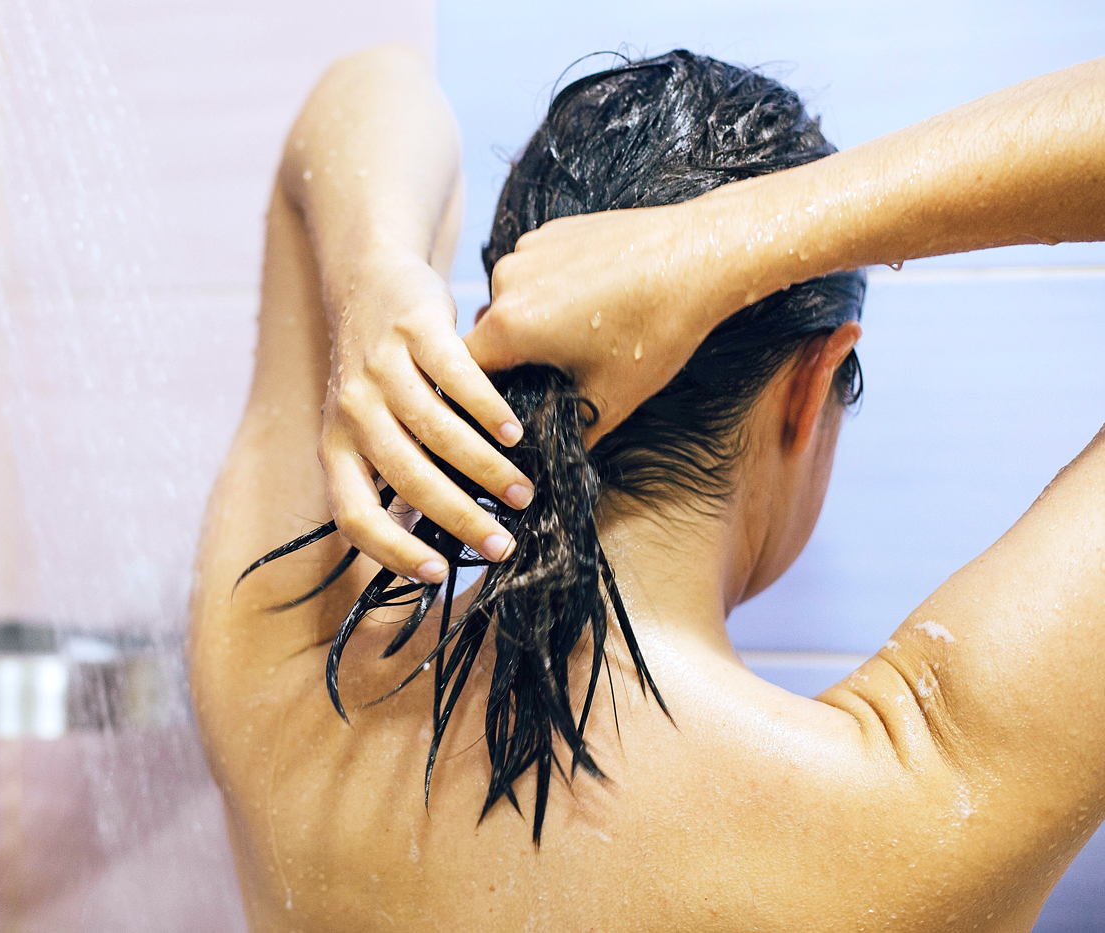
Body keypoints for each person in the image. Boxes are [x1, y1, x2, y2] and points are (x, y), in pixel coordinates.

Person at [190, 44, 1105, 932]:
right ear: (811, 386)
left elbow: (366, 87)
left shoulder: (281, 675)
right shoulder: (912, 809)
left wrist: (375, 273)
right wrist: (745, 241)